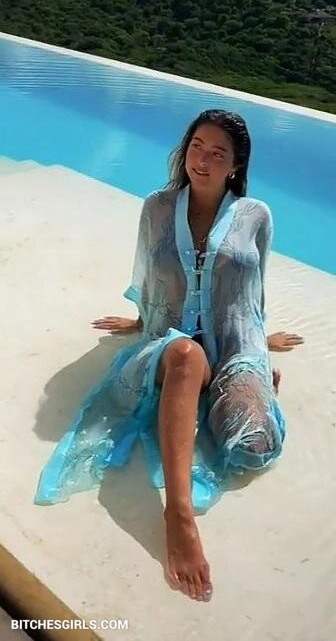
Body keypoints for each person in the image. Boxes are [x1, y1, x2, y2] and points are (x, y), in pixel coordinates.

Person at [35, 109, 304, 603]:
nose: (202, 160)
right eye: (196, 146)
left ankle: (254, 387)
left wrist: (259, 347)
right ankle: (177, 515)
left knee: (252, 447)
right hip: (171, 343)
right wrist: (140, 322)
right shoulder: (157, 207)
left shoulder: (256, 216)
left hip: (235, 344)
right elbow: (147, 274)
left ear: (235, 166)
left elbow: (253, 289)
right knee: (185, 356)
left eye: (217, 153)